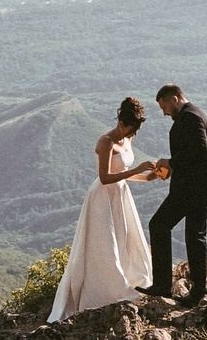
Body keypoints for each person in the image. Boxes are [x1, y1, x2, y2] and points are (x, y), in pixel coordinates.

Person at [48, 96, 167, 321]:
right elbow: (104, 177)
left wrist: (148, 177)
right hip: (102, 197)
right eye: (131, 129)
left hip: (121, 195)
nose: (133, 134)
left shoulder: (126, 139)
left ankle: (126, 279)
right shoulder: (106, 142)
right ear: (122, 123)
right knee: (105, 244)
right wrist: (136, 171)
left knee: (124, 239)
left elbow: (124, 175)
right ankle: (103, 290)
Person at [143, 83, 207, 307]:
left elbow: (200, 148)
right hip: (198, 185)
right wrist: (172, 168)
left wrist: (171, 162)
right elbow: (194, 152)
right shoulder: (196, 114)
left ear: (174, 98)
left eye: (164, 106)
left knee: (167, 226)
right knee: (190, 234)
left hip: (196, 187)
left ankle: (180, 288)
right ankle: (189, 288)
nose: (164, 112)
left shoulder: (190, 117)